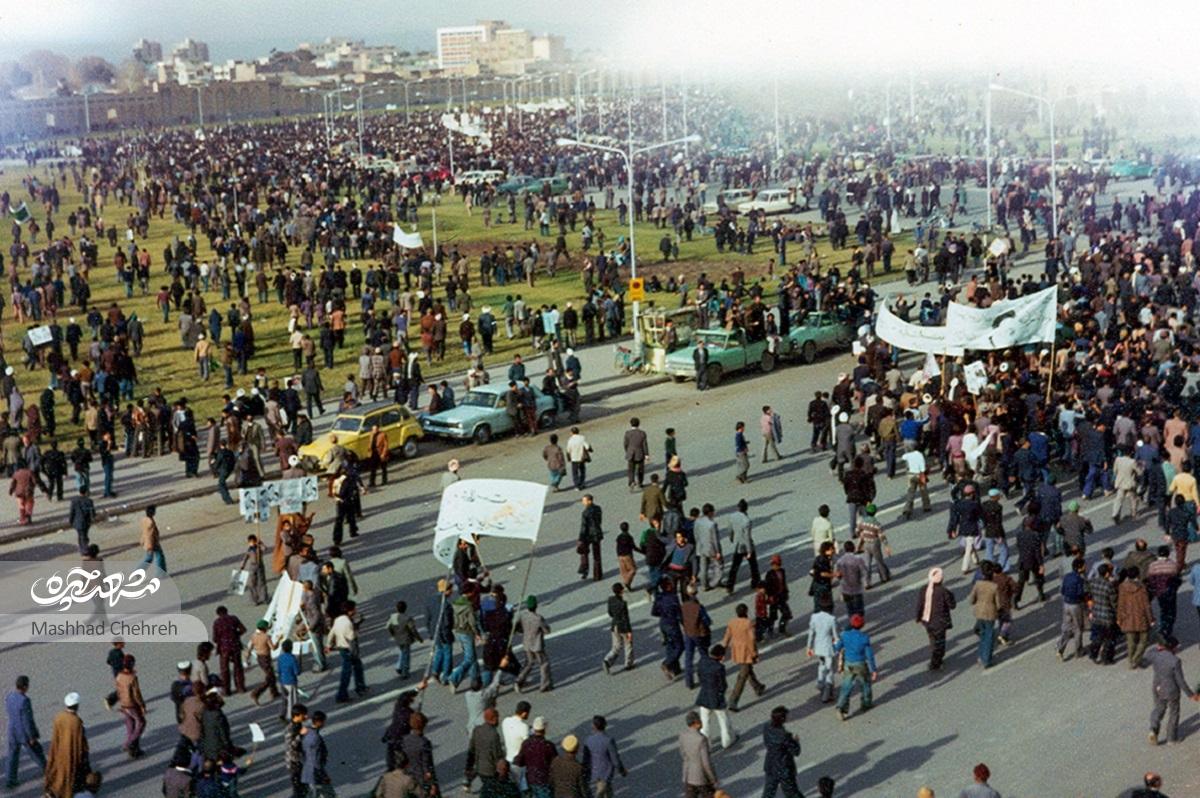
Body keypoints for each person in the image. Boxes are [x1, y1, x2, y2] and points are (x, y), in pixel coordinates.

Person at [1145, 637, 1200, 745]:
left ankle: (1153, 729)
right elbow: (1180, 681)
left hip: (1158, 686)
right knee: (1174, 712)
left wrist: (1159, 646)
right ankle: (1171, 738)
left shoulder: (1155, 655)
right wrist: (1190, 694)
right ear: (1172, 648)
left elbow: (1147, 653)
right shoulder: (1175, 661)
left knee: (1158, 708)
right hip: (1171, 689)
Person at [44, 692, 90, 798]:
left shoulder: (59, 716)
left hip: (59, 751)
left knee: (59, 772)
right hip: (71, 752)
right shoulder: (76, 721)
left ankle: (53, 791)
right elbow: (80, 741)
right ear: (77, 706)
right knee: (69, 774)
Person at [721, 603, 765, 712]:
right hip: (746, 652)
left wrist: (723, 651)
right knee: (742, 676)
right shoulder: (748, 623)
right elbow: (751, 640)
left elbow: (726, 637)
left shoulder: (732, 622)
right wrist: (754, 653)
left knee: (747, 670)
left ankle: (757, 686)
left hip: (737, 650)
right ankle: (733, 700)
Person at [4, 675, 46, 790]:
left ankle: (10, 779)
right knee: (36, 753)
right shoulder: (25, 701)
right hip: (24, 733)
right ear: (24, 686)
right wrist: (32, 736)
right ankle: (48, 770)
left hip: (13, 731)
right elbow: (27, 720)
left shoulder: (9, 697)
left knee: (12, 756)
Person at [833, 614, 877, 720]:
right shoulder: (864, 638)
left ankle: (841, 707)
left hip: (848, 664)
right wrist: (873, 670)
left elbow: (837, 647)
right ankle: (866, 703)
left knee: (846, 686)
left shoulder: (845, 635)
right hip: (860, 664)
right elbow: (869, 655)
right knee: (865, 684)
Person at [326, 600, 368, 702]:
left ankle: (361, 686)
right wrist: (356, 628)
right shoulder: (348, 623)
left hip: (341, 647)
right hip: (349, 649)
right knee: (347, 673)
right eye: (354, 608)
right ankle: (342, 695)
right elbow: (352, 638)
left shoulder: (338, 619)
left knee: (358, 667)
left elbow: (332, 632)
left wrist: (328, 645)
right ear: (350, 610)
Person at [696, 644, 735, 751]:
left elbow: (699, 676)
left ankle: (706, 745)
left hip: (704, 694)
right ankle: (727, 741)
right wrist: (722, 692)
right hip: (716, 697)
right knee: (723, 720)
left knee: (705, 723)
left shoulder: (702, 661)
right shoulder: (719, 668)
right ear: (720, 656)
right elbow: (722, 685)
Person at [915, 567, 956, 670]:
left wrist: (918, 617)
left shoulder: (924, 589)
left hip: (927, 620)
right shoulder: (943, 591)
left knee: (932, 639)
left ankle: (935, 656)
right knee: (940, 642)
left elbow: (920, 605)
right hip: (940, 621)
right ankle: (936, 661)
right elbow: (952, 605)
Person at [761, 706, 803, 798]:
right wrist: (796, 741)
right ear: (782, 719)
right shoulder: (785, 736)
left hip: (771, 765)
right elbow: (796, 751)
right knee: (792, 793)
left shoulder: (766, 727)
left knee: (768, 793)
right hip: (784, 768)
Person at [582, 715, 626, 798]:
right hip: (606, 774)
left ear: (593, 726)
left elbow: (585, 759)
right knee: (605, 792)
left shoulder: (588, 740)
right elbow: (615, 760)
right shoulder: (608, 740)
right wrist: (622, 771)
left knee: (603, 790)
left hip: (594, 772)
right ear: (605, 725)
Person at [515, 596, 552, 692]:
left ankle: (519, 680)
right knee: (544, 664)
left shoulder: (523, 616)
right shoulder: (538, 618)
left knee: (529, 663)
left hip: (527, 643)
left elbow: (517, 628)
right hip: (537, 645)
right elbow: (547, 630)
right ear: (536, 606)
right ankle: (545, 684)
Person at [807, 597, 839, 703]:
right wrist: (839, 646)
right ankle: (826, 694)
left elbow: (811, 633)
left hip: (818, 646)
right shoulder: (831, 619)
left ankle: (820, 683)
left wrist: (809, 647)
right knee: (829, 669)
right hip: (828, 647)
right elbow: (835, 635)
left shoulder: (814, 617)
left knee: (821, 665)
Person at [969, 562, 1002, 668]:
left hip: (979, 612)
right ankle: (986, 659)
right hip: (990, 613)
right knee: (989, 635)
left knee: (982, 635)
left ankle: (981, 655)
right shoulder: (994, 587)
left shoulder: (978, 584)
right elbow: (998, 603)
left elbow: (972, 599)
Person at [678, 711, 718, 798]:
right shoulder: (701, 739)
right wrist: (713, 779)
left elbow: (684, 755)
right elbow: (706, 763)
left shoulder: (682, 735)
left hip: (688, 775)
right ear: (696, 723)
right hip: (701, 778)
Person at [514, 716, 556, 798]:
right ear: (544, 729)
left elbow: (519, 762)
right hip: (544, 780)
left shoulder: (526, 744)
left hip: (530, 780)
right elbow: (555, 763)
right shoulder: (548, 745)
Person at [114, 654, 147, 758]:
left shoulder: (119, 676)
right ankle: (129, 743)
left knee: (130, 725)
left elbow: (118, 690)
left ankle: (133, 749)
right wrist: (142, 705)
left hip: (123, 703)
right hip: (132, 704)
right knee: (141, 723)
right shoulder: (132, 677)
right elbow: (136, 693)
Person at [602, 583, 634, 674]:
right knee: (628, 644)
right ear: (621, 591)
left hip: (614, 625)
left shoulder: (610, 600)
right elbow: (626, 618)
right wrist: (629, 631)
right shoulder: (623, 604)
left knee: (616, 646)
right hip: (623, 627)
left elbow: (610, 613)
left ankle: (607, 660)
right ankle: (628, 663)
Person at [386, 600, 423, 679]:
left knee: (402, 652)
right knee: (406, 655)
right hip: (406, 639)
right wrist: (419, 638)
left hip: (398, 638)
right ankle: (404, 672)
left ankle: (399, 667)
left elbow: (388, 627)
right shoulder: (407, 618)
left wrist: (393, 634)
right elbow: (413, 630)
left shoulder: (393, 617)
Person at [247, 619, 280, 705]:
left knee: (271, 675)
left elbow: (250, 648)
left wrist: (248, 657)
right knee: (270, 678)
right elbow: (273, 648)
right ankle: (256, 693)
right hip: (266, 658)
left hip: (259, 658)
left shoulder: (254, 636)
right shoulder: (266, 637)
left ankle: (274, 692)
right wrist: (278, 640)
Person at [301, 710, 332, 796]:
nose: (324, 724)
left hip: (308, 770)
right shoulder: (316, 738)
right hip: (315, 773)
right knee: (327, 793)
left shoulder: (307, 733)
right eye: (323, 721)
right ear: (318, 722)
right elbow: (316, 760)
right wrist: (323, 775)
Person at [579, 494, 604, 581]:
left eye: (584, 500)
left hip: (588, 535)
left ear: (589, 501)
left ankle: (584, 569)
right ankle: (597, 575)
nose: (583, 502)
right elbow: (600, 520)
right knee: (597, 555)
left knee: (584, 552)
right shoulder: (598, 508)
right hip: (597, 533)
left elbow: (584, 526)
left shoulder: (585, 513)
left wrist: (581, 538)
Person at [240, 534, 268, 605]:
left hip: (260, 565)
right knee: (252, 583)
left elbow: (265, 549)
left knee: (261, 582)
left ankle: (264, 598)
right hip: (252, 566)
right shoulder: (249, 550)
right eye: (250, 542)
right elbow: (245, 558)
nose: (252, 543)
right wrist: (242, 565)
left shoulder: (259, 548)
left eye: (253, 541)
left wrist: (261, 543)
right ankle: (255, 600)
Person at [623, 417, 649, 489]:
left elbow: (625, 444)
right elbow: (644, 445)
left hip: (630, 453)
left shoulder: (627, 433)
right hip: (640, 453)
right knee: (640, 469)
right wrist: (646, 454)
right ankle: (640, 482)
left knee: (631, 469)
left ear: (631, 424)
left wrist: (627, 451)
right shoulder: (642, 433)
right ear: (639, 424)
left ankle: (631, 481)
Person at [68, 487, 96, 556]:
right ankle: (85, 550)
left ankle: (82, 548)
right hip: (86, 522)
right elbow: (92, 513)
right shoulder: (89, 501)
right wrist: (93, 518)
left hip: (77, 522)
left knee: (80, 535)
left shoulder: (74, 501)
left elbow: (72, 512)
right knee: (84, 536)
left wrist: (70, 521)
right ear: (86, 492)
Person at [141, 505, 167, 572]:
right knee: (159, 557)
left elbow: (144, 532)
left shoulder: (144, 520)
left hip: (147, 542)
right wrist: (155, 543)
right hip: (152, 542)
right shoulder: (151, 522)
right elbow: (151, 534)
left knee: (149, 558)